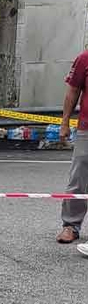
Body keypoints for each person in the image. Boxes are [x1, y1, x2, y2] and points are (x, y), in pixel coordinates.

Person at [56, 50, 88, 246]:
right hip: (87, 128)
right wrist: (64, 123)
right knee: (78, 178)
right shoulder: (84, 58)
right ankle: (71, 225)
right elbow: (73, 91)